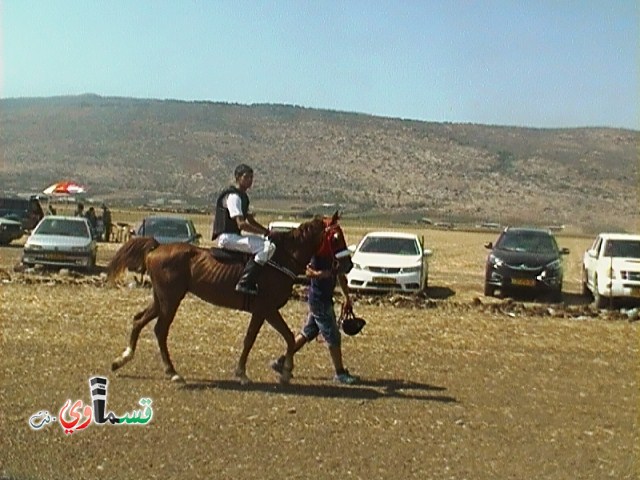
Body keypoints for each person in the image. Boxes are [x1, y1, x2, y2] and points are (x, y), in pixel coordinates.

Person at [271, 255, 357, 384]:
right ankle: (340, 373)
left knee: (308, 332)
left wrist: (347, 298)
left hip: (322, 299)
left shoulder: (333, 256)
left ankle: (282, 360)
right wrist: (322, 274)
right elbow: (308, 272)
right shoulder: (319, 255)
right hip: (319, 300)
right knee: (333, 336)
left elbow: (340, 276)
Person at [211, 164, 274, 295]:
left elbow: (251, 221)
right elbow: (242, 224)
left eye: (251, 177)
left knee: (266, 243)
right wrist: (264, 233)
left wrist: (267, 232)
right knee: (267, 248)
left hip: (234, 237)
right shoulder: (234, 197)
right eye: (246, 177)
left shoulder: (243, 197)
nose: (250, 180)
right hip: (227, 237)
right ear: (238, 178)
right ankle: (245, 282)